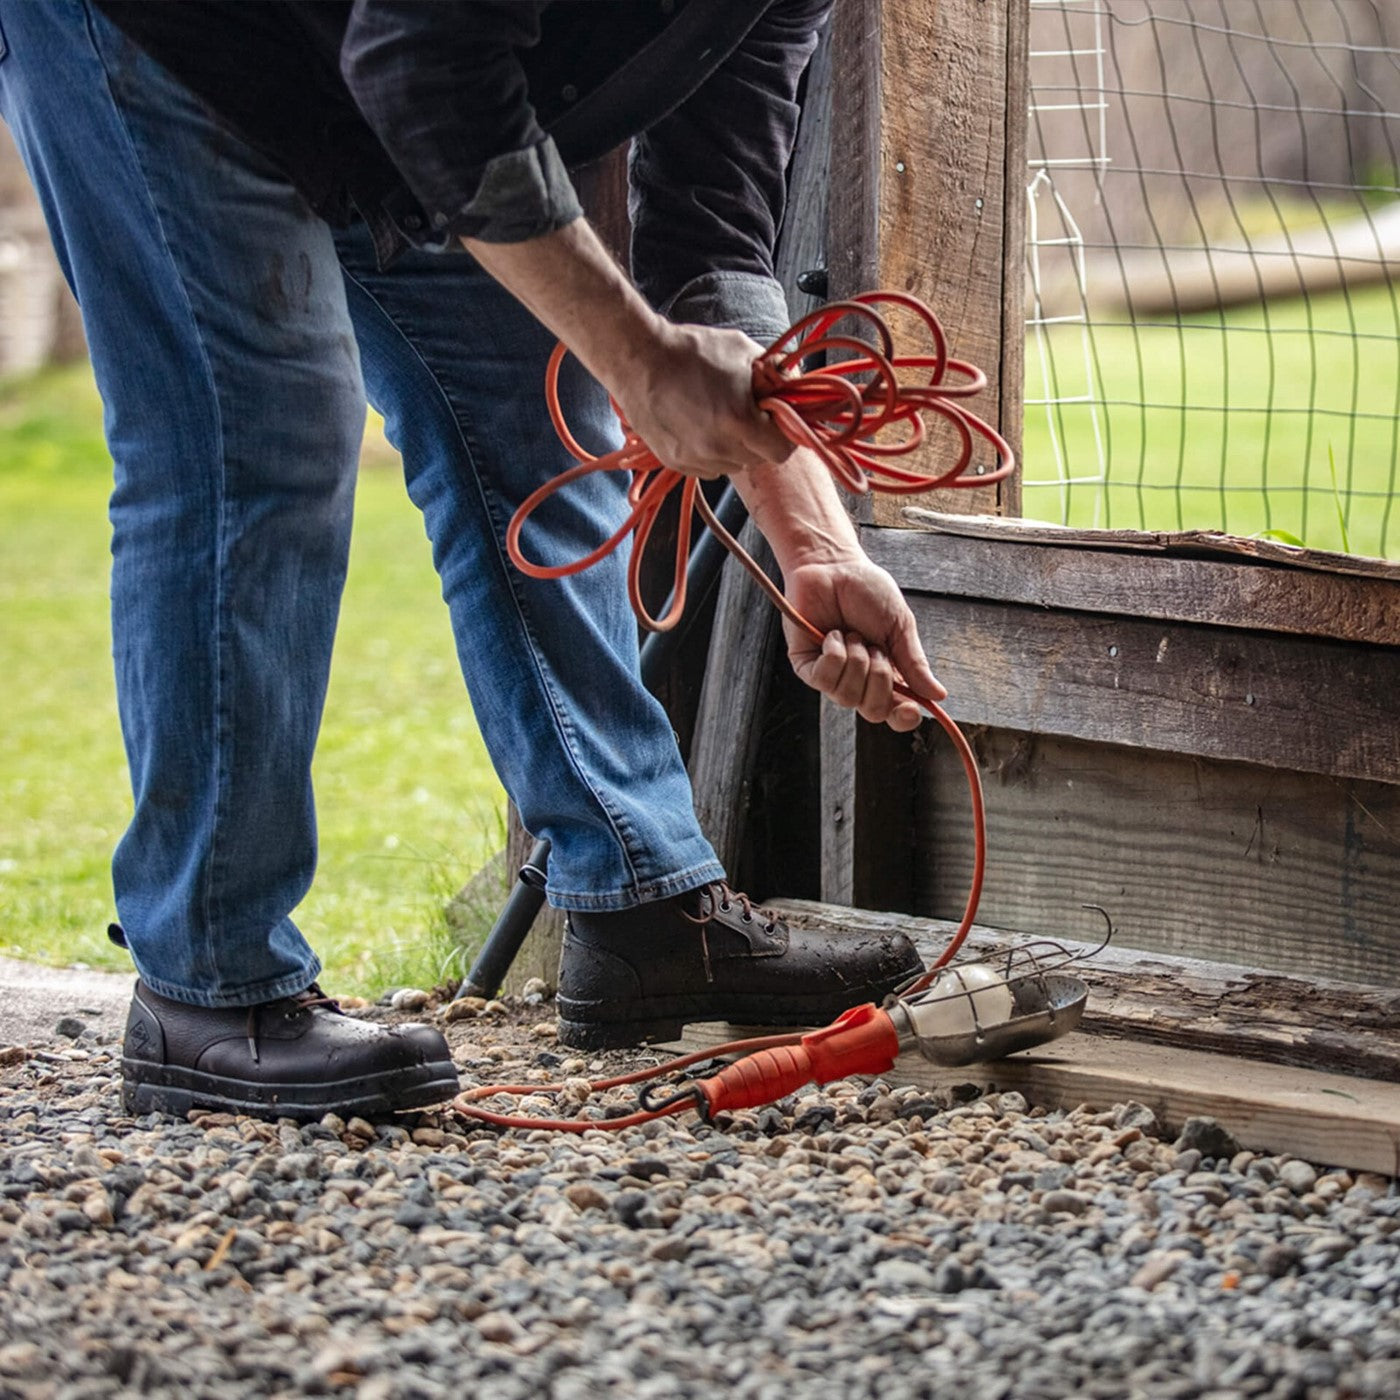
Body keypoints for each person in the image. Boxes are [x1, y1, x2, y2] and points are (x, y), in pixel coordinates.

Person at [0, 0, 943, 1122]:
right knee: (252, 435)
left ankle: (640, 905)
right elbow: (425, 66)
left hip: (385, 70)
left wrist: (812, 540)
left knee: (535, 415)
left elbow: (711, 232)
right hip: (168, 32)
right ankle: (209, 986)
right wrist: (639, 359)